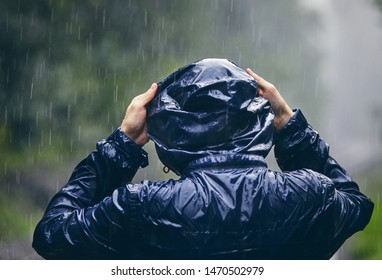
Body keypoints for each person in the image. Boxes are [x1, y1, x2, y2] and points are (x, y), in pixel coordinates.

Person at [32, 58, 373, 259]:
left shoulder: (141, 206)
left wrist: (122, 144)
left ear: (173, 134)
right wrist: (290, 126)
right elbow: (357, 206)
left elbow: (52, 237)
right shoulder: (310, 197)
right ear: (260, 121)